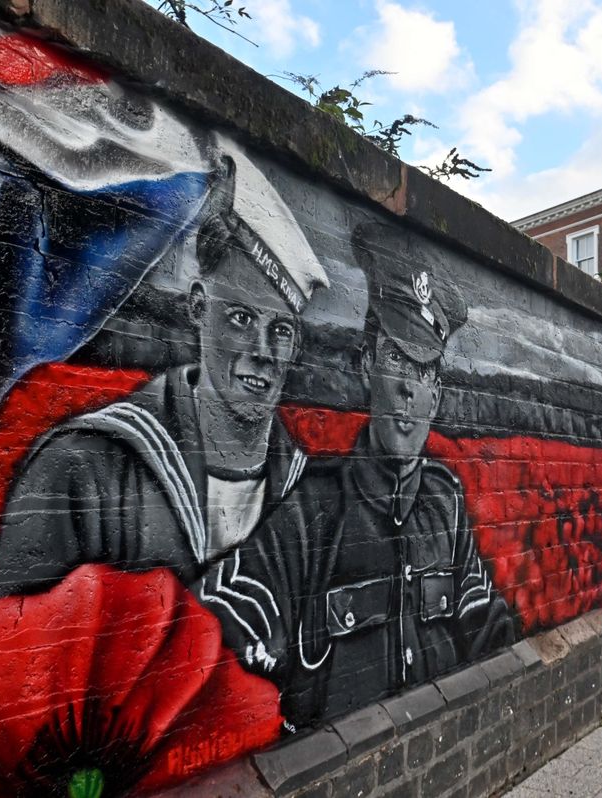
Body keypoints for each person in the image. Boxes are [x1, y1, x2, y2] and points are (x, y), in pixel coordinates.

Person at [196, 221, 514, 725]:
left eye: (424, 372)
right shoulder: (314, 509)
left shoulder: (445, 502)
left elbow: (488, 628)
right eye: (396, 360)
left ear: (437, 396)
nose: (409, 390)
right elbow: (216, 629)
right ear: (367, 366)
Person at [0, 154, 328, 602]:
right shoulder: (84, 470)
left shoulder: (311, 492)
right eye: (241, 318)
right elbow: (12, 637)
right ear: (199, 308)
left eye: (281, 330)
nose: (262, 352)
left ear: (297, 344)